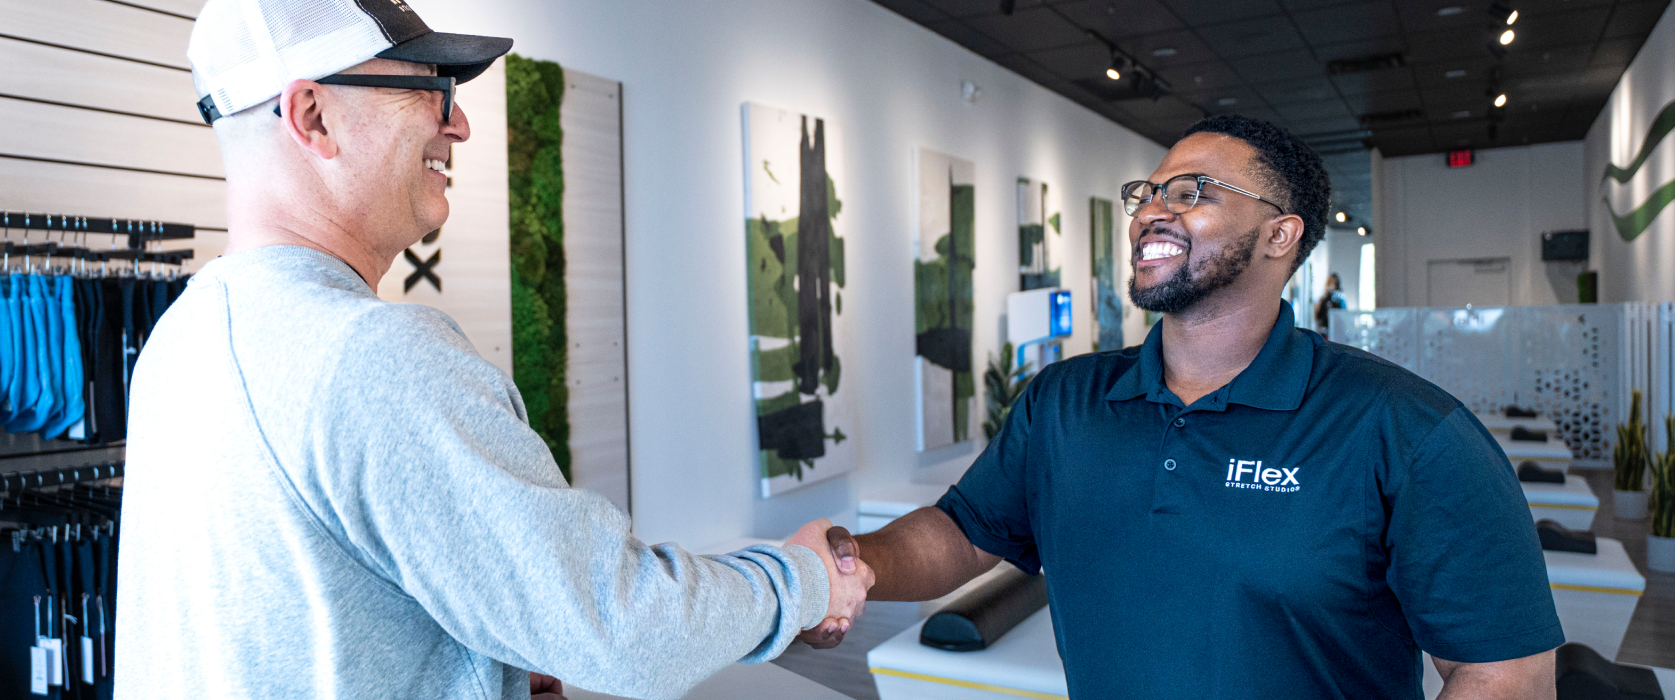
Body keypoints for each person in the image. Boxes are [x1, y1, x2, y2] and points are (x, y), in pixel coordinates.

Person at [113, 2, 871, 698]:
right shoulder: (368, 355)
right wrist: (803, 578)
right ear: (314, 116)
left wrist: (486, 665)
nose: (460, 124)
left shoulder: (179, 343)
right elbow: (628, 629)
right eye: (429, 89)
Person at [802, 115, 1562, 699]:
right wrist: (849, 564)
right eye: (1148, 193)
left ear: (1280, 234)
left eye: (1192, 192)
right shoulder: (1064, 401)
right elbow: (964, 534)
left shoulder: (1407, 428)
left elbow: (1507, 674)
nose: (1151, 212)